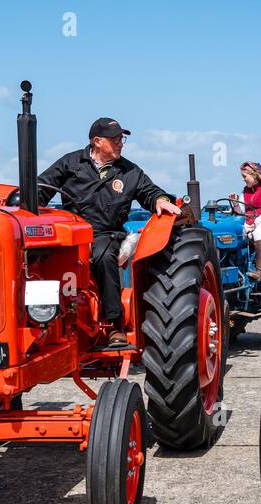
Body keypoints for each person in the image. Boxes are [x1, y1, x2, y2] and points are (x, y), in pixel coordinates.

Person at [38, 117, 181, 346]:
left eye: (121, 139)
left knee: (103, 257)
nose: (120, 144)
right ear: (97, 141)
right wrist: (25, 202)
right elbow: (42, 187)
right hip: (72, 232)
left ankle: (114, 325)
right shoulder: (71, 163)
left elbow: (149, 191)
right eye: (115, 139)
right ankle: (41, 320)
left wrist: (160, 199)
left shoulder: (129, 171)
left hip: (107, 233)